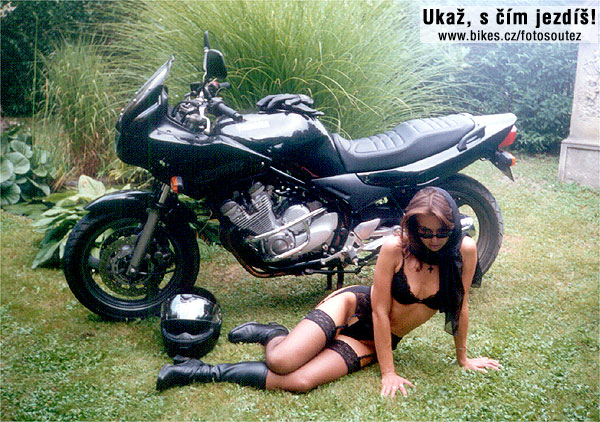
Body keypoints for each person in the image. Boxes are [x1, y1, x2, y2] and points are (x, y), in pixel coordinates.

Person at [156, 187, 501, 395]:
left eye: (441, 232)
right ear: (413, 226)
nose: (434, 240)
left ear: (452, 225)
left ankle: (199, 371)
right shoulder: (395, 247)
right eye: (425, 232)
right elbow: (380, 311)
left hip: (373, 340)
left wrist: (463, 358)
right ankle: (273, 336)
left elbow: (460, 306)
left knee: (300, 381)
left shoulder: (464, 251)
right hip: (354, 306)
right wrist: (388, 372)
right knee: (280, 361)